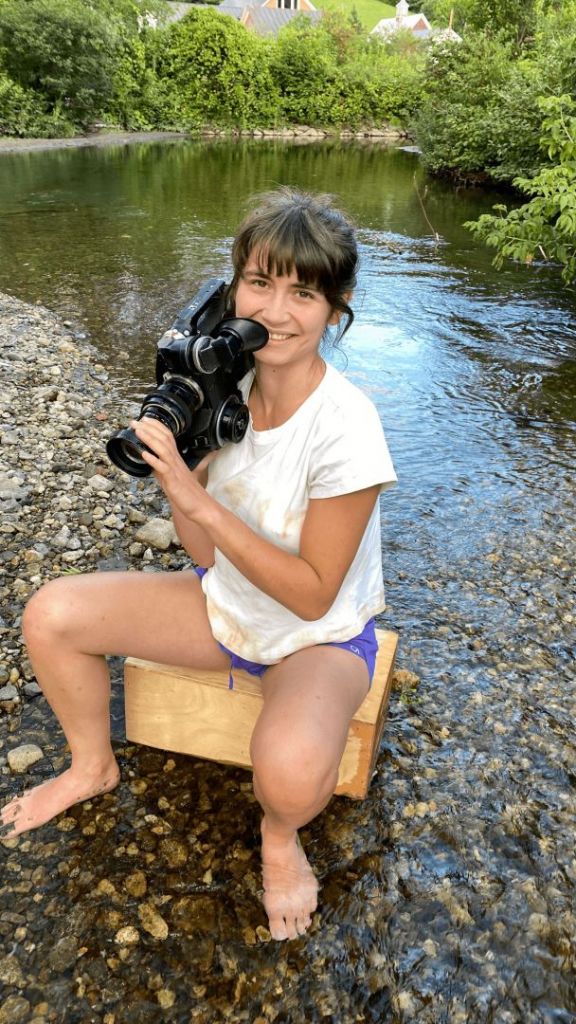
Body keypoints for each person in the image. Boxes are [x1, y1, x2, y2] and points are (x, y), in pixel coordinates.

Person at [1, 188, 397, 941]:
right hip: (228, 604)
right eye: (260, 283)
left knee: (286, 775)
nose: (275, 312)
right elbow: (208, 555)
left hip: (317, 639)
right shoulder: (223, 391)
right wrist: (178, 471)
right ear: (232, 289)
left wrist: (198, 499)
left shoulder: (349, 427)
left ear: (334, 310)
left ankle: (279, 840)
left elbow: (314, 597)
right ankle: (91, 767)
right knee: (51, 615)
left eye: (303, 294)